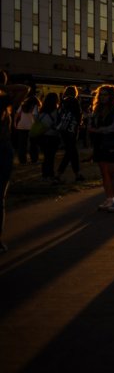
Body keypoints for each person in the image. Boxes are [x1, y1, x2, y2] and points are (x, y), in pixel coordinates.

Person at [0, 71, 29, 253]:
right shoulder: (3, 103)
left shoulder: (2, 103)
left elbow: (23, 89)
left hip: (2, 150)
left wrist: (2, 88)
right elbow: (23, 89)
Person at [87, 85, 114, 212]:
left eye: (105, 95)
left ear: (112, 96)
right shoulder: (97, 109)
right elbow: (92, 123)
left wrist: (99, 130)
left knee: (112, 172)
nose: (103, 97)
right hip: (100, 144)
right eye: (101, 94)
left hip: (113, 144)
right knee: (104, 173)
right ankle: (109, 198)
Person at [56, 86, 84, 182]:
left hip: (63, 129)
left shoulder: (63, 101)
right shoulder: (74, 101)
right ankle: (61, 173)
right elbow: (78, 114)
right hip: (72, 129)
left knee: (71, 151)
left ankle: (76, 174)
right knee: (71, 151)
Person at [35, 92, 61, 183]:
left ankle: (44, 175)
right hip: (53, 136)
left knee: (46, 157)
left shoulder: (42, 111)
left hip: (42, 136)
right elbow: (58, 124)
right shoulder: (56, 111)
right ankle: (50, 175)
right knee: (50, 157)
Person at [13, 95, 40, 165]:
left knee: (22, 144)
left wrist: (14, 123)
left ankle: (22, 161)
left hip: (21, 126)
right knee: (33, 144)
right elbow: (35, 116)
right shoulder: (35, 106)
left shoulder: (22, 106)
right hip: (31, 127)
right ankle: (34, 159)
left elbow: (17, 114)